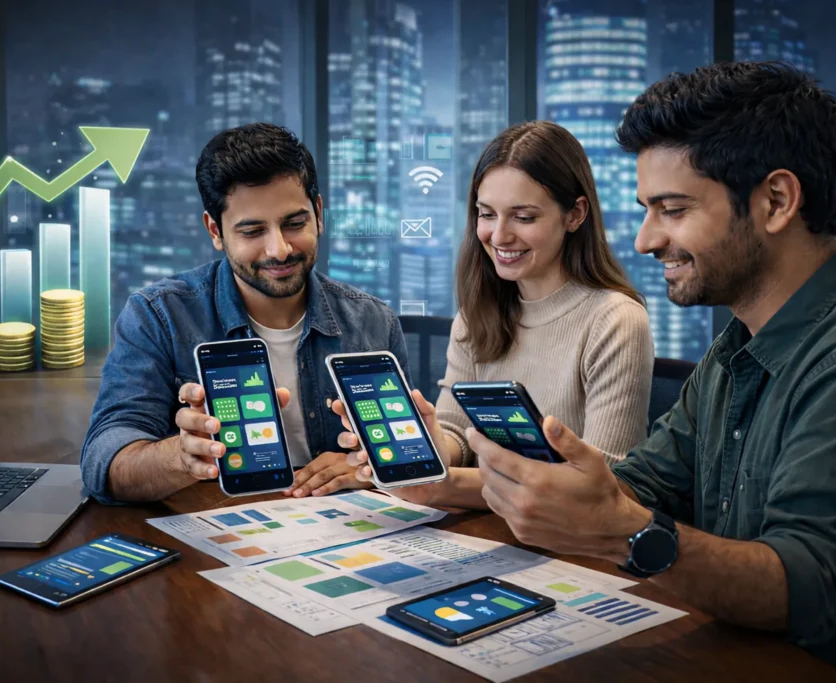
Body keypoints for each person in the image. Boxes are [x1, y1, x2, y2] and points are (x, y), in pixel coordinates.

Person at [463, 62, 836, 662]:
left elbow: (815, 588)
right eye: (646, 208)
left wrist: (620, 530)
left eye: (673, 209)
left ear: (775, 201)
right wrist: (558, 489)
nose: (645, 239)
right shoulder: (733, 349)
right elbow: (645, 483)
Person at [80, 123, 410, 503]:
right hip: (212, 537)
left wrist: (370, 466)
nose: (280, 249)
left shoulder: (373, 321)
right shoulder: (159, 315)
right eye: (253, 231)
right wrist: (182, 457)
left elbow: (409, 457)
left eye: (295, 223)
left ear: (318, 214)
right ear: (215, 230)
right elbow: (103, 463)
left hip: (344, 536)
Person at [335, 120, 654, 509]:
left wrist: (439, 484)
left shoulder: (615, 320)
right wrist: (431, 442)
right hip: (489, 532)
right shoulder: (476, 315)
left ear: (575, 214)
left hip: (571, 547)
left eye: (523, 217)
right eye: (487, 214)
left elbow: (602, 486)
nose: (499, 236)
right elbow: (456, 435)